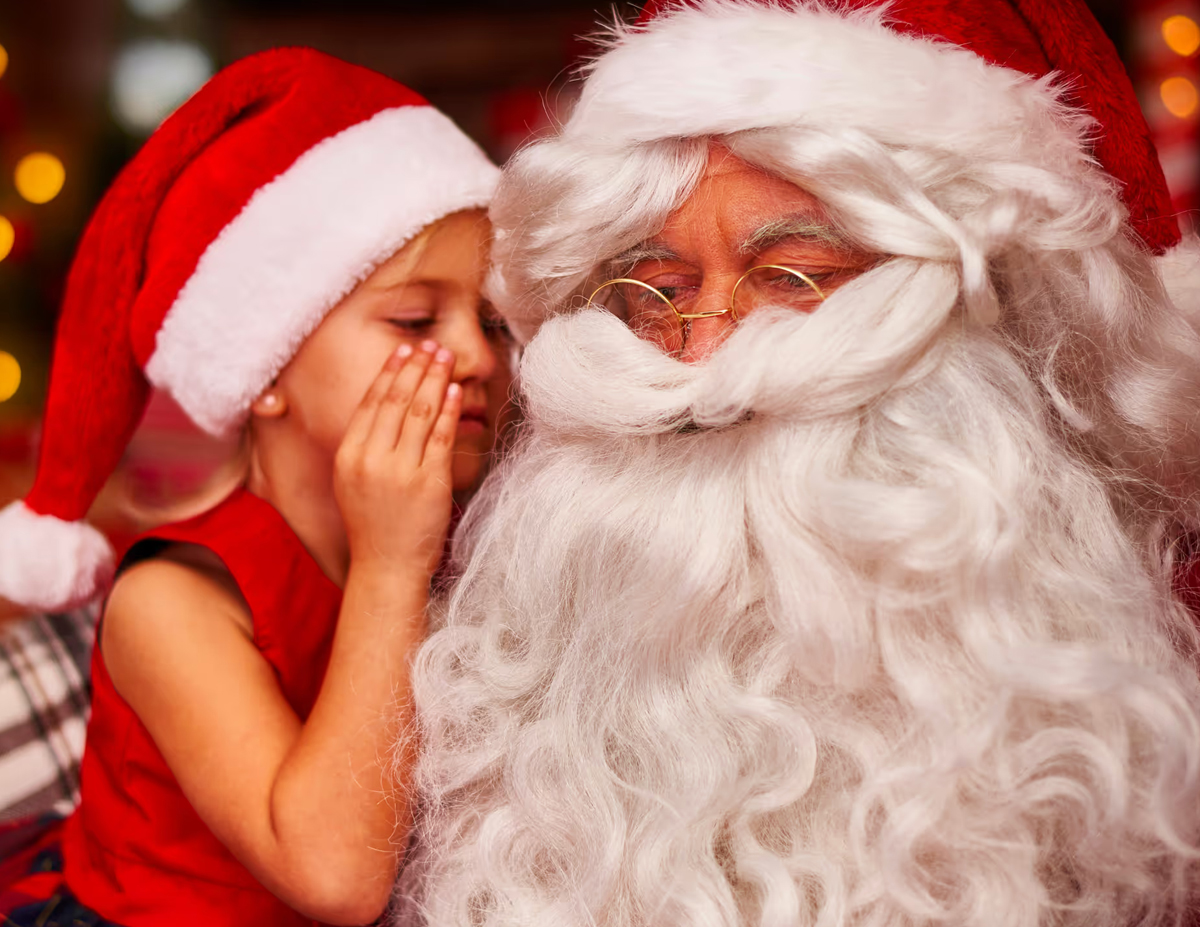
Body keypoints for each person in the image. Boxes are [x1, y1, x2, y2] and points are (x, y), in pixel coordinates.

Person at [397, 1, 1200, 925]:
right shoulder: (478, 659)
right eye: (656, 292)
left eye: (794, 275)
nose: (705, 355)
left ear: (1013, 322)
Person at [0, 48, 502, 926]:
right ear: (267, 369)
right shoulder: (170, 600)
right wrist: (390, 565)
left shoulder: (475, 537)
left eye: (493, 319)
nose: (479, 356)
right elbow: (335, 879)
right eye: (417, 319)